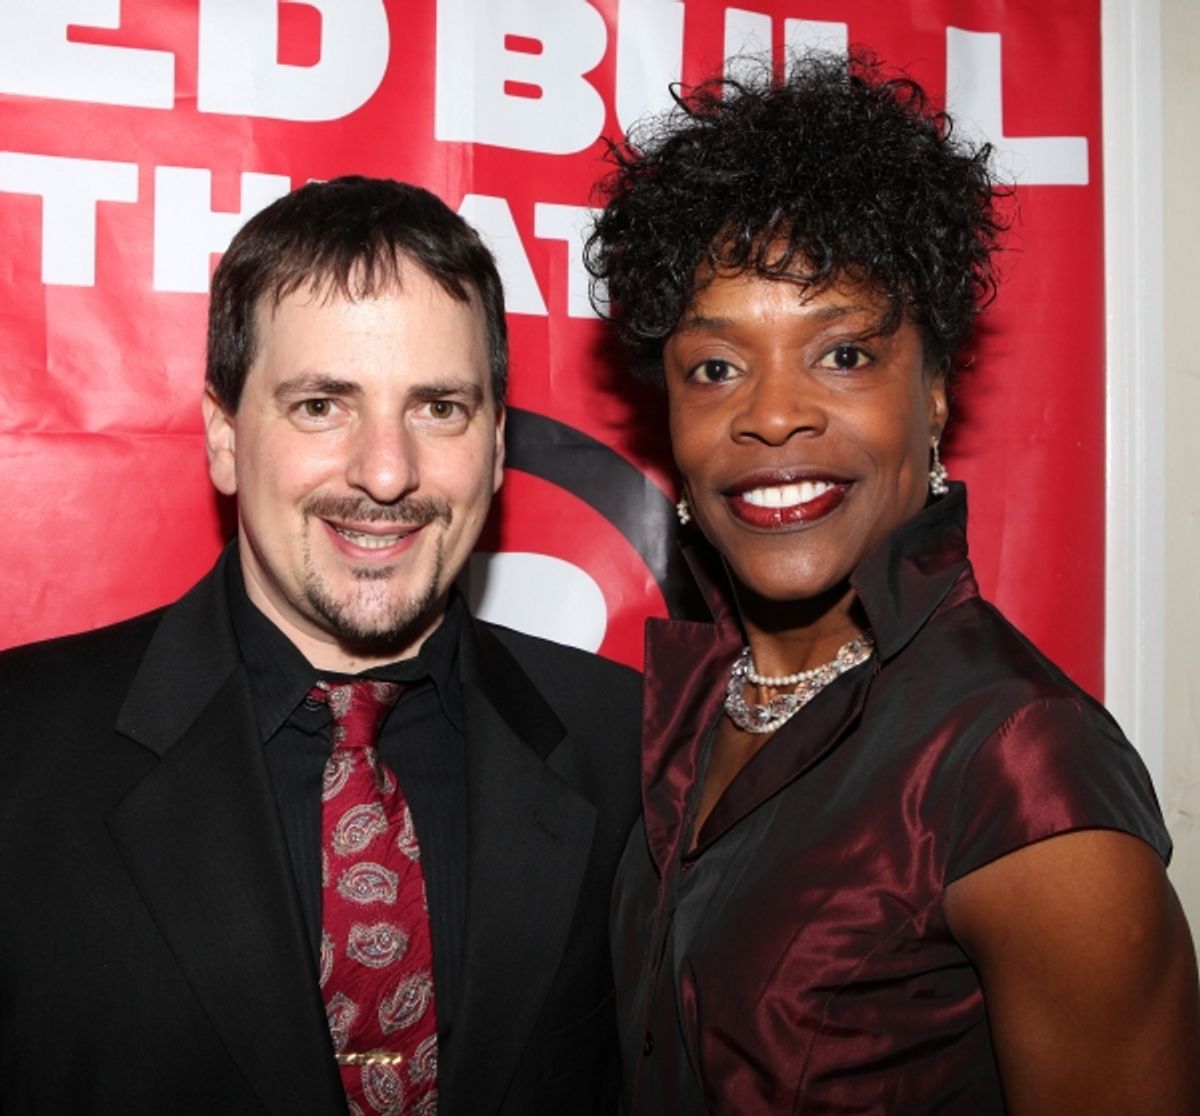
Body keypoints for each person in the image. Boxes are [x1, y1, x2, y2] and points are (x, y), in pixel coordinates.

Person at [585, 53, 1200, 1114]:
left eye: (843, 355)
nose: (772, 416)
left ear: (935, 399)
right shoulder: (677, 719)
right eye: (717, 367)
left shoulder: (1022, 770)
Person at [0, 175, 641, 1115]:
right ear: (224, 436)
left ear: (498, 444)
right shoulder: (18, 749)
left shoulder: (631, 749)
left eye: (439, 408)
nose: (386, 472)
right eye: (320, 406)